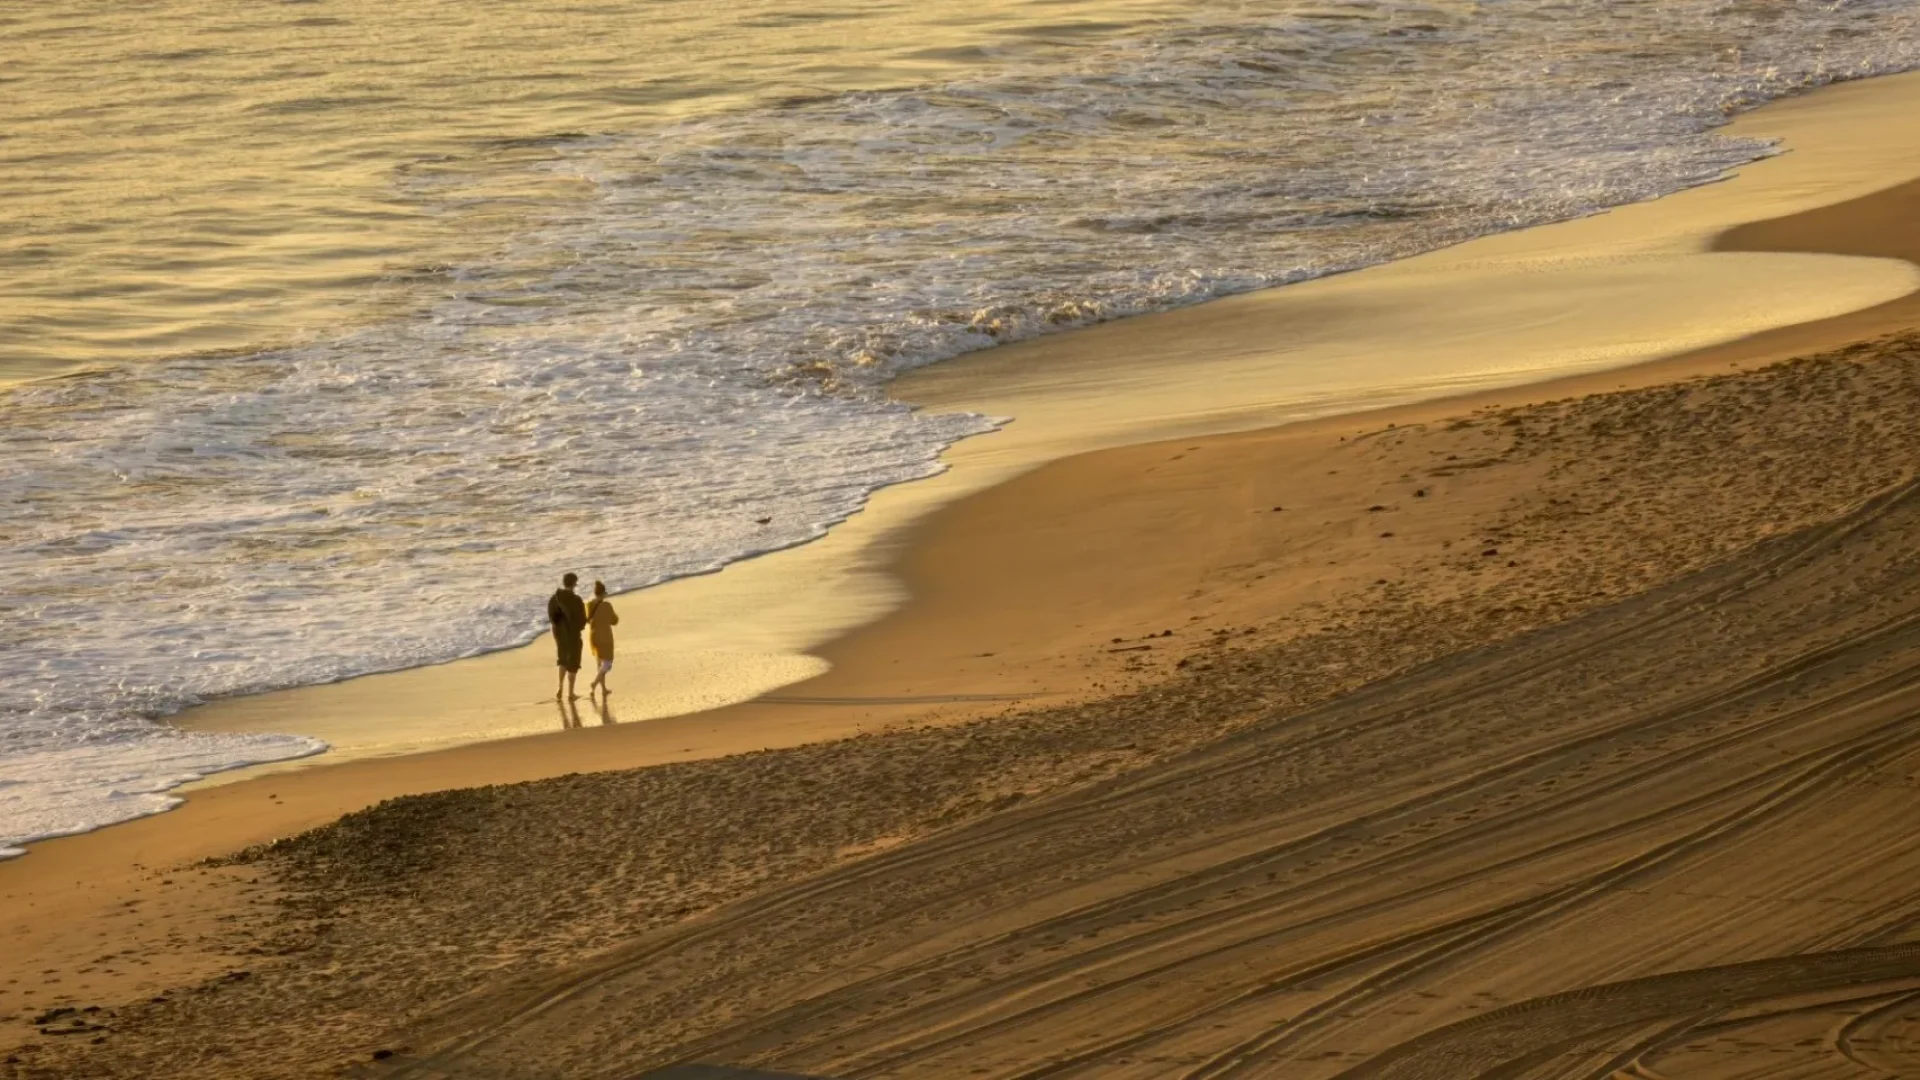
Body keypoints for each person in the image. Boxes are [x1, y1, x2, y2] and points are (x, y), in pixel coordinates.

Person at [547, 572, 588, 700]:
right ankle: (570, 693)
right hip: (574, 635)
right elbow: (582, 620)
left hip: (560, 635)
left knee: (562, 660)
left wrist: (559, 630)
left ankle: (560, 687)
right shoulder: (577, 600)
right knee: (573, 664)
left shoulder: (554, 599)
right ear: (574, 583)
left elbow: (552, 617)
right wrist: (577, 627)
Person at [585, 579, 620, 698]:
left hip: (593, 637)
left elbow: (588, 621)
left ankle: (603, 689)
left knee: (599, 663)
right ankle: (594, 684)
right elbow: (615, 621)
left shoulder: (589, 605)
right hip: (606, 637)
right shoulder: (607, 605)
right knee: (607, 664)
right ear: (603, 593)